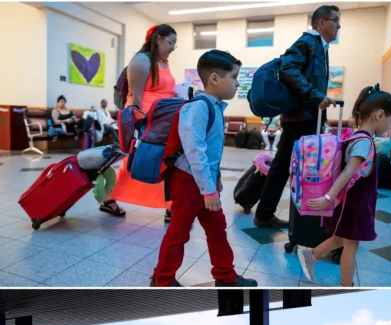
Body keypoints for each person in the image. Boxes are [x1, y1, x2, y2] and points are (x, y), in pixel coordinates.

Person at [150, 50, 257, 288]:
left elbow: (210, 153)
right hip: (189, 181)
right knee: (179, 232)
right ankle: (162, 280)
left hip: (204, 181)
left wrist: (213, 181)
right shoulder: (198, 108)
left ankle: (225, 275)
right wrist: (208, 189)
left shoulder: (215, 106)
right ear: (215, 79)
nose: (238, 83)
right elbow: (195, 152)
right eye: (234, 76)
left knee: (217, 228)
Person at [297, 86, 391, 287]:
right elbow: (348, 172)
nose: (390, 126)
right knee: (351, 244)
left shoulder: (356, 136)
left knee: (339, 239)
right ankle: (346, 286)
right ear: (380, 115)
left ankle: (311, 256)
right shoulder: (364, 142)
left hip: (353, 201)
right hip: (354, 203)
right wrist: (327, 198)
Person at [253, 4, 339, 228]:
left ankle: (267, 213)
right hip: (300, 118)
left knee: (284, 165)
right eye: (335, 20)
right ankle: (289, 217)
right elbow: (288, 68)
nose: (339, 26)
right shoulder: (308, 42)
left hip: (305, 116)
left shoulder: (319, 46)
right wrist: (314, 95)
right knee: (291, 166)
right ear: (322, 23)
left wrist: (320, 108)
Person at [108, 24, 178, 221]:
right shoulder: (141, 60)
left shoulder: (163, 62)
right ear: (158, 39)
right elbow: (135, 96)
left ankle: (170, 204)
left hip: (164, 119)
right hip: (147, 121)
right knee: (138, 160)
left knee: (163, 161)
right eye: (171, 42)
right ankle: (110, 198)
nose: (173, 47)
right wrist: (139, 124)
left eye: (175, 44)